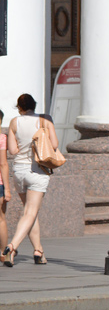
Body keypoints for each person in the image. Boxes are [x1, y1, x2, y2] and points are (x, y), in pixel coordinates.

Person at [2, 94, 58, 266]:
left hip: (19, 171)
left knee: (30, 211)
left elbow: (12, 150)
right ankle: (12, 247)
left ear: (19, 107)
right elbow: (54, 145)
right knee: (30, 212)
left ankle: (38, 251)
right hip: (37, 170)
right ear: (34, 105)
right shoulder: (44, 122)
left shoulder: (14, 122)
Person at [0, 108, 11, 253]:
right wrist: (7, 189)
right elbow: (3, 163)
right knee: (1, 219)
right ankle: (3, 253)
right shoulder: (2, 138)